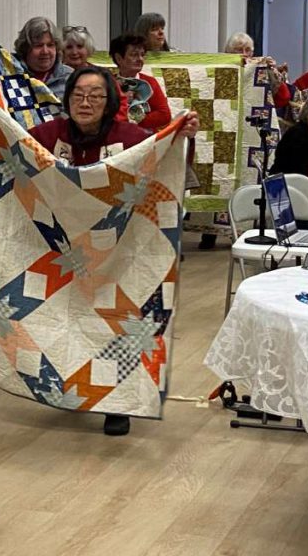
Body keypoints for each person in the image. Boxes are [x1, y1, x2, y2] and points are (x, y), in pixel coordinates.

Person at [28, 66, 199, 436]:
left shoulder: (131, 137)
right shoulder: (48, 135)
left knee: (118, 321)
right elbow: (12, 156)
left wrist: (184, 137)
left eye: (95, 96)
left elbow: (166, 160)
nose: (85, 102)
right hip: (64, 249)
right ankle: (71, 390)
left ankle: (117, 403)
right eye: (77, 95)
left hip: (119, 250)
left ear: (110, 103)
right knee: (65, 320)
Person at [110, 34, 171, 130]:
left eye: (142, 55)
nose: (140, 59)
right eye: (134, 55)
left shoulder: (150, 82)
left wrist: (132, 120)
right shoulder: (108, 83)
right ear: (119, 58)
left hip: (146, 140)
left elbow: (165, 115)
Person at [13, 17, 74, 100]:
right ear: (25, 48)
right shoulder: (10, 74)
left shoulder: (70, 78)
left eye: (50, 45)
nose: (45, 51)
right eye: (38, 45)